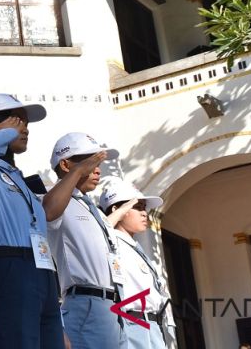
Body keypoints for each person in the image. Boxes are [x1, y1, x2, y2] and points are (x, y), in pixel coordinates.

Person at [0, 93, 63, 348]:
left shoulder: (19, 177)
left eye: (25, 122)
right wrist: (1, 135)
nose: (25, 128)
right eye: (17, 120)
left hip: (42, 271)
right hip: (9, 267)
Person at [44, 133, 122, 349]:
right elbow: (48, 212)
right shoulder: (56, 198)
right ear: (66, 164)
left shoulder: (90, 207)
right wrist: (79, 170)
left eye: (99, 163)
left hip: (112, 304)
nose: (97, 169)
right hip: (87, 302)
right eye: (90, 162)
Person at [98, 178, 171, 349]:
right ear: (118, 210)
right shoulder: (110, 241)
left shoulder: (136, 248)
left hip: (153, 324)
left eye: (144, 208)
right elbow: (97, 231)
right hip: (130, 323)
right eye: (137, 208)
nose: (144, 213)